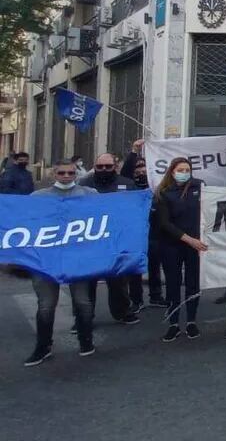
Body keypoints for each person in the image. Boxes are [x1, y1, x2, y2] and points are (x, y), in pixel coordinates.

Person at [23, 161, 100, 366]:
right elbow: (24, 222)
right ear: (53, 174)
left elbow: (105, 217)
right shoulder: (37, 198)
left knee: (83, 301)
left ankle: (86, 341)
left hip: (79, 257)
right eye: (62, 172)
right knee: (46, 305)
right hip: (46, 259)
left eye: (71, 173)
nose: (66, 176)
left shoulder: (89, 194)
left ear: (76, 174)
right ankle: (43, 347)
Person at [78, 153, 140, 324]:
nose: (104, 170)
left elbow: (136, 212)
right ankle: (84, 318)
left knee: (118, 282)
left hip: (117, 243)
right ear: (94, 166)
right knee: (87, 284)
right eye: (100, 167)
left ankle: (122, 312)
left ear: (115, 166)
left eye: (108, 166)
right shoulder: (83, 185)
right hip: (90, 243)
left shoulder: (127, 185)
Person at [153, 157, 208, 342]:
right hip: (172, 244)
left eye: (187, 170)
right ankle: (173, 324)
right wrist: (188, 240)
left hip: (196, 244)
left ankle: (191, 322)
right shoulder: (164, 192)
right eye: (180, 170)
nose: (184, 173)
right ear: (172, 171)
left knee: (193, 284)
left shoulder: (200, 187)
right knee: (173, 284)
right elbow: (164, 223)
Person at [126, 156, 166, 310]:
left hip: (154, 233)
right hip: (134, 234)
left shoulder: (156, 187)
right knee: (135, 268)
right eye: (138, 168)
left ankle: (156, 296)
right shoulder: (129, 186)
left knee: (154, 266)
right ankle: (136, 299)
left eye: (144, 168)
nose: (141, 171)